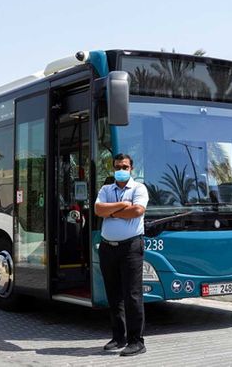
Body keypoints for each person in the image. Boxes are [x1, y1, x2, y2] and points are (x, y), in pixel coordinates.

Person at [94, 153, 149, 357]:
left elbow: (137, 211)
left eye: (125, 167)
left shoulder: (138, 188)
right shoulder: (106, 189)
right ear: (113, 168)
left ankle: (137, 341)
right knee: (114, 294)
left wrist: (112, 212)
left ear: (131, 169)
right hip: (108, 248)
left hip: (131, 248)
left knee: (132, 294)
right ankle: (119, 337)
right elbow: (98, 209)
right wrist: (120, 207)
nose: (121, 170)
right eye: (118, 166)